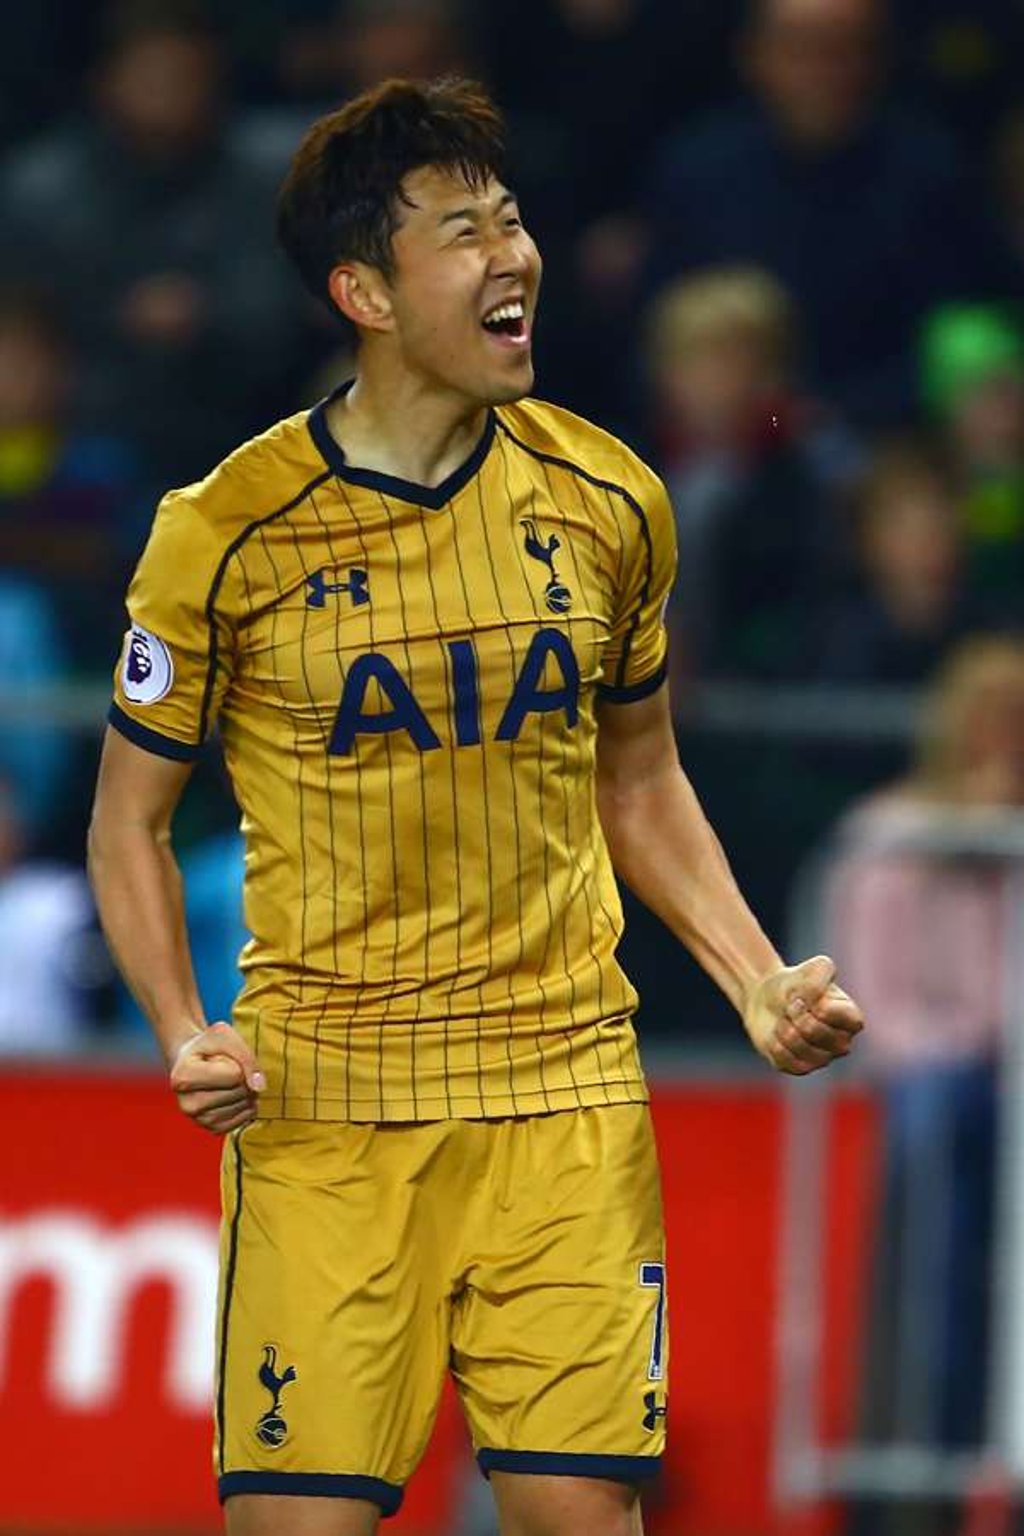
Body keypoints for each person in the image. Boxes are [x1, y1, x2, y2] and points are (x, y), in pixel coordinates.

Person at [87, 78, 864, 1536]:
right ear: (364, 290)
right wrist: (183, 1025)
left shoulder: (610, 497)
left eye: (513, 222)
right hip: (327, 1103)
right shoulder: (223, 534)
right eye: (464, 233)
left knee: (580, 1517)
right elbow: (126, 822)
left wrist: (756, 980)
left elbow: (640, 776)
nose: (513, 257)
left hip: (562, 1088)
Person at [644, 0, 1005, 430]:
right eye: (801, 49)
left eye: (842, 50)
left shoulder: (931, 173)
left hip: (892, 440)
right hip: (723, 436)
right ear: (754, 55)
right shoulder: (697, 170)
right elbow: (658, 331)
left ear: (878, 59)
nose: (822, 72)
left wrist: (835, 416)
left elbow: (962, 338)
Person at [643, 264, 857, 679]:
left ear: (770, 374)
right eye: (698, 358)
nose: (716, 380)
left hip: (765, 700)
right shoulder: (624, 458)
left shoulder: (810, 468)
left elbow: (814, 603)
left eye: (733, 360)